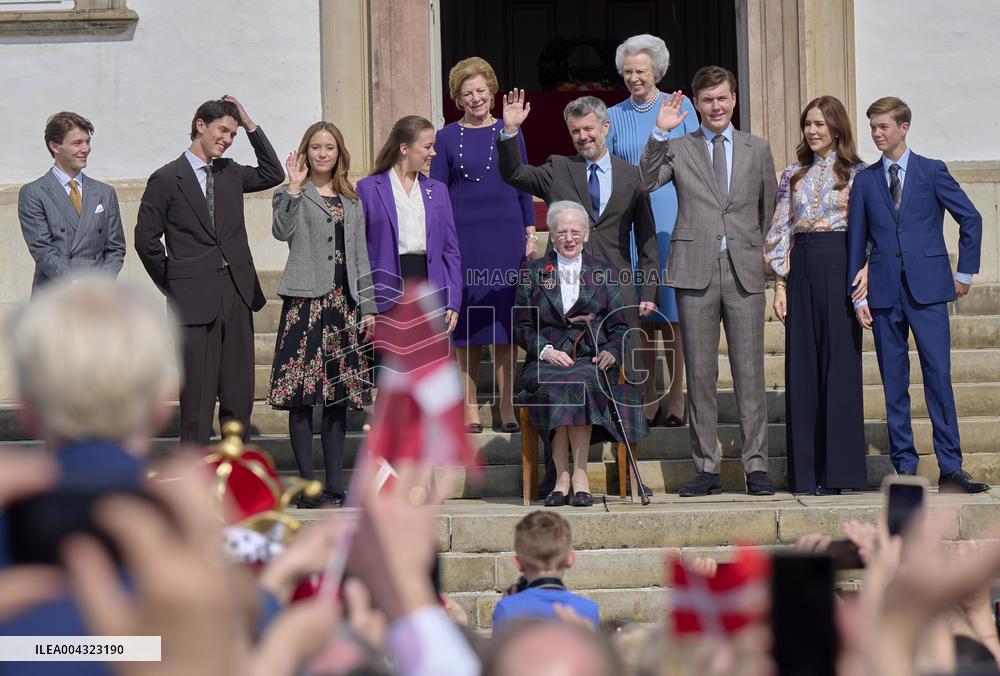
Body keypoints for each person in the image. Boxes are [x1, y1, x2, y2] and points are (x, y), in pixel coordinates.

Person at [639, 66, 778, 497]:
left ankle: (756, 467)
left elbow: (770, 210)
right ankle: (706, 468)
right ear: (696, 104)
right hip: (694, 268)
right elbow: (645, 181)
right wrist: (659, 132)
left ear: (734, 99)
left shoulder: (758, 148)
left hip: (743, 269)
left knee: (749, 373)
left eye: (722, 98)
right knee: (699, 374)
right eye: (707, 100)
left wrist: (758, 254)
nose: (716, 107)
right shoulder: (679, 147)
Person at [847, 96, 986, 493]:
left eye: (883, 126)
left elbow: (971, 218)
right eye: (873, 127)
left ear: (904, 127)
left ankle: (951, 468)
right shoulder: (866, 180)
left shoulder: (931, 170)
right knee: (894, 384)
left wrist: (964, 273)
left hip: (929, 290)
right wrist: (857, 296)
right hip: (884, 292)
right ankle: (905, 467)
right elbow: (856, 242)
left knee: (938, 377)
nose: (876, 134)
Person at [134, 96, 284, 445]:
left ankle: (236, 469)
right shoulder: (166, 178)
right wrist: (175, 282)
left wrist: (249, 123)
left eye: (233, 134)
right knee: (198, 401)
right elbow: (146, 240)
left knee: (239, 396)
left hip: (237, 294)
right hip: (192, 301)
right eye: (223, 130)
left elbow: (273, 173)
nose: (228, 139)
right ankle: (194, 472)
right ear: (200, 125)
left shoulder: (230, 172)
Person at [268, 121, 378, 508]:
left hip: (344, 305)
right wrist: (294, 188)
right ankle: (307, 487)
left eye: (329, 147)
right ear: (305, 152)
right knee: (301, 397)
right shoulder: (291, 193)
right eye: (316, 147)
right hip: (305, 304)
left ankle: (334, 483)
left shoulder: (352, 200)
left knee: (337, 398)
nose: (322, 154)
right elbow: (281, 231)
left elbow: (361, 256)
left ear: (339, 153)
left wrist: (369, 307)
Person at [764, 96, 868, 495]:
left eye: (820, 124)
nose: (812, 131)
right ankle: (806, 474)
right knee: (803, 369)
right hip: (802, 267)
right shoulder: (792, 174)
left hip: (842, 263)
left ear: (837, 128)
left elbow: (870, 229)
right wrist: (780, 284)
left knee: (840, 368)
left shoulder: (859, 174)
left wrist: (866, 273)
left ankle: (840, 473)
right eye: (808, 124)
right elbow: (780, 227)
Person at [513, 201, 648, 507]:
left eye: (575, 231)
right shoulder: (533, 272)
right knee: (564, 382)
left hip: (590, 359)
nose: (569, 238)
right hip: (544, 363)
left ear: (586, 234)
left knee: (581, 379)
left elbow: (619, 327)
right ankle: (563, 477)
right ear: (552, 234)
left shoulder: (605, 272)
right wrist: (545, 350)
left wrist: (612, 352)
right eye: (562, 232)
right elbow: (521, 326)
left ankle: (578, 475)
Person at [430, 56, 537, 434]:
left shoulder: (510, 131)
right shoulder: (445, 137)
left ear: (492, 92)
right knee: (467, 327)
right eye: (467, 93)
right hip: (464, 241)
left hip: (506, 238)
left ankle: (507, 406)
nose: (475, 98)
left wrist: (530, 234)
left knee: (505, 326)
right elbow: (437, 194)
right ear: (457, 98)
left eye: (480, 90)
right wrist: (440, 243)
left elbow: (524, 184)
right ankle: (469, 407)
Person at [499, 92, 658, 331]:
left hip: (616, 288)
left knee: (625, 354)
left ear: (605, 127)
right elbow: (514, 174)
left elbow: (647, 241)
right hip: (564, 290)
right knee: (564, 355)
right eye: (575, 131)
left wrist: (648, 291)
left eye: (588, 128)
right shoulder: (558, 169)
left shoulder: (632, 176)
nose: (583, 137)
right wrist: (510, 131)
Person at [607, 34, 698, 428]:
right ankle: (647, 396)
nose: (634, 78)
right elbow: (608, 168)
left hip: (672, 218)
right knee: (640, 315)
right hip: (631, 222)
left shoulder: (681, 107)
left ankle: (675, 396)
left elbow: (696, 163)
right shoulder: (613, 114)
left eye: (641, 71)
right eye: (627, 71)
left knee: (673, 314)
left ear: (657, 71)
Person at [357, 115, 462, 331]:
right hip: (385, 287)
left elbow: (451, 251)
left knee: (429, 353)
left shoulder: (438, 190)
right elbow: (359, 252)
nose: (434, 153)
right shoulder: (367, 189)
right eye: (427, 146)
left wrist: (454, 299)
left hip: (431, 286)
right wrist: (367, 303)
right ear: (405, 149)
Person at [18, 112, 126, 294]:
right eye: (77, 143)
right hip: (54, 295)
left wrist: (100, 285)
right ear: (54, 146)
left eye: (87, 142)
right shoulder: (34, 193)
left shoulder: (105, 193)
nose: (86, 149)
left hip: (97, 296)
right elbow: (42, 249)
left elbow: (116, 248)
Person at [492, 511, 599, 631]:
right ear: (570, 559)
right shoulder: (588, 610)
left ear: (518, 563)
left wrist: (510, 604)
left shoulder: (507, 609)